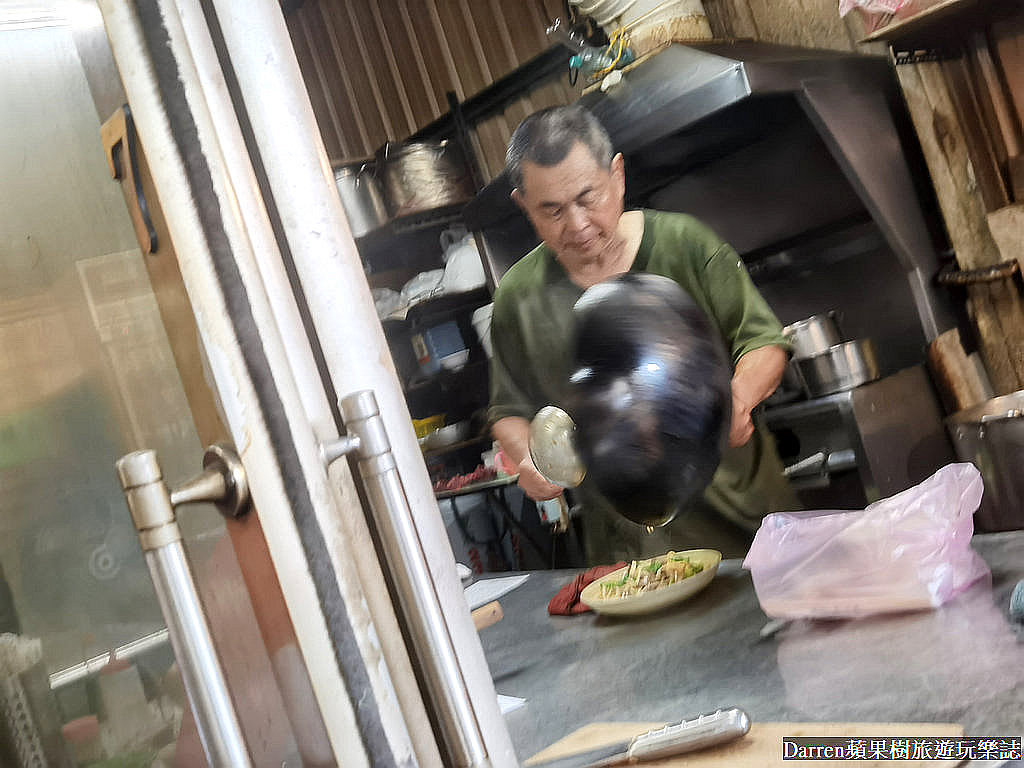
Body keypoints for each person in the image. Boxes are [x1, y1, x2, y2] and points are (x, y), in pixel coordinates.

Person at [487, 105, 798, 562]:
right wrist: (530, 459)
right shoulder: (517, 298)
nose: (576, 225)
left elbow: (764, 341)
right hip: (629, 554)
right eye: (551, 211)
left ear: (617, 176)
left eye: (588, 197)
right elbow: (509, 410)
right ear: (523, 205)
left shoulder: (685, 245)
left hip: (747, 531)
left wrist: (741, 396)